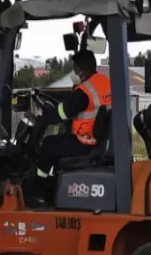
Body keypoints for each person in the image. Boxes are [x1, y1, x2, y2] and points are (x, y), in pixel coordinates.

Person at [35, 49, 112, 179]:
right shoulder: (105, 82)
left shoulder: (84, 91)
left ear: (84, 69)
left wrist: (42, 119)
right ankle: (56, 177)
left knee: (48, 145)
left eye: (75, 69)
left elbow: (62, 113)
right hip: (99, 140)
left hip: (85, 143)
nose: (74, 73)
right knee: (59, 142)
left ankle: (40, 185)